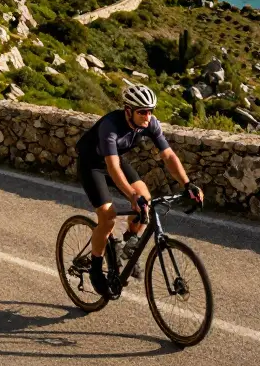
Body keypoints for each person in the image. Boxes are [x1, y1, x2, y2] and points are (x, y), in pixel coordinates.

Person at [75, 84, 203, 298]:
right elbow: (113, 168)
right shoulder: (110, 126)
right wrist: (131, 196)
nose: (147, 116)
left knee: (147, 199)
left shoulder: (150, 123)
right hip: (92, 165)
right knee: (107, 218)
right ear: (128, 111)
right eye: (142, 111)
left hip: (115, 161)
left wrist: (187, 184)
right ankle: (96, 268)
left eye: (150, 111)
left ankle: (129, 242)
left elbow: (169, 156)